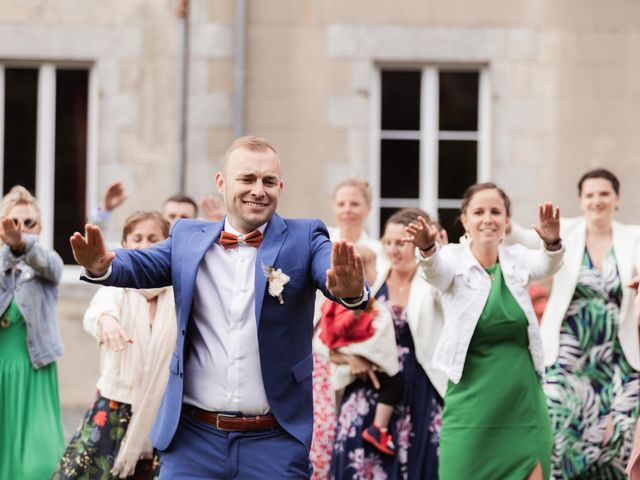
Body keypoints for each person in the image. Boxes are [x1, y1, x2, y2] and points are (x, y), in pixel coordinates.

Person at [69, 135, 368, 479]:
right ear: (221, 182)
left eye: (268, 181)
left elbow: (331, 272)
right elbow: (137, 264)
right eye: (247, 179)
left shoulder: (305, 237)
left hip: (274, 442)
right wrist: (99, 266)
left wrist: (351, 290)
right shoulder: (186, 237)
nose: (259, 189)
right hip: (193, 442)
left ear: (280, 187)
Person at [406, 183, 563, 480]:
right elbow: (435, 272)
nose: (487, 219)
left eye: (495, 212)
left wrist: (552, 242)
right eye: (479, 212)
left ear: (506, 220)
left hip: (522, 404)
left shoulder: (517, 258)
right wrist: (427, 249)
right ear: (465, 220)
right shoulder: (452, 258)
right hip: (470, 406)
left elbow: (546, 265)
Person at [508, 168, 640, 478]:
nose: (597, 201)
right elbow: (521, 237)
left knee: (620, 433)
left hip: (617, 357)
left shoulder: (633, 236)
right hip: (568, 354)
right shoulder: (564, 230)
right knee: (559, 425)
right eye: (590, 195)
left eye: (604, 194)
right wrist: (498, 217)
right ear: (580, 201)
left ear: (617, 199)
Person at [54, 211, 175, 479]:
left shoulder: (177, 293)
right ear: (125, 244)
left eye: (153, 238)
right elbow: (99, 309)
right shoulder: (117, 287)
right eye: (137, 238)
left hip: (162, 412)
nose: (144, 244)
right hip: (116, 408)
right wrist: (107, 321)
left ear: (166, 245)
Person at [330, 208, 447, 480]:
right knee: (357, 464)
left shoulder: (434, 282)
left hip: (419, 387)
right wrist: (351, 360)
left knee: (419, 464)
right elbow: (328, 335)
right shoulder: (372, 280)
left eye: (401, 242)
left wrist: (440, 255)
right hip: (368, 386)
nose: (393, 250)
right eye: (388, 242)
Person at [310, 177, 385, 478]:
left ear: (368, 208)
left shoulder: (379, 250)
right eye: (341, 203)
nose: (347, 210)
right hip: (322, 350)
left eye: (355, 203)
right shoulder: (321, 244)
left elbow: (379, 307)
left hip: (365, 356)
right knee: (321, 435)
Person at [0, 185, 65, 479]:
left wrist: (21, 246)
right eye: (15, 222)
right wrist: (10, 252)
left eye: (30, 223)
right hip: (2, 368)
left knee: (39, 463)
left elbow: (50, 265)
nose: (23, 229)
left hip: (35, 369)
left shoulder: (46, 262)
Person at [318, 245, 402, 456]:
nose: (377, 274)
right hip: (354, 362)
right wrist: (356, 314)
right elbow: (336, 329)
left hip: (362, 355)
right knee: (395, 381)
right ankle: (378, 428)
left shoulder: (364, 299)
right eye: (373, 268)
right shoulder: (347, 302)